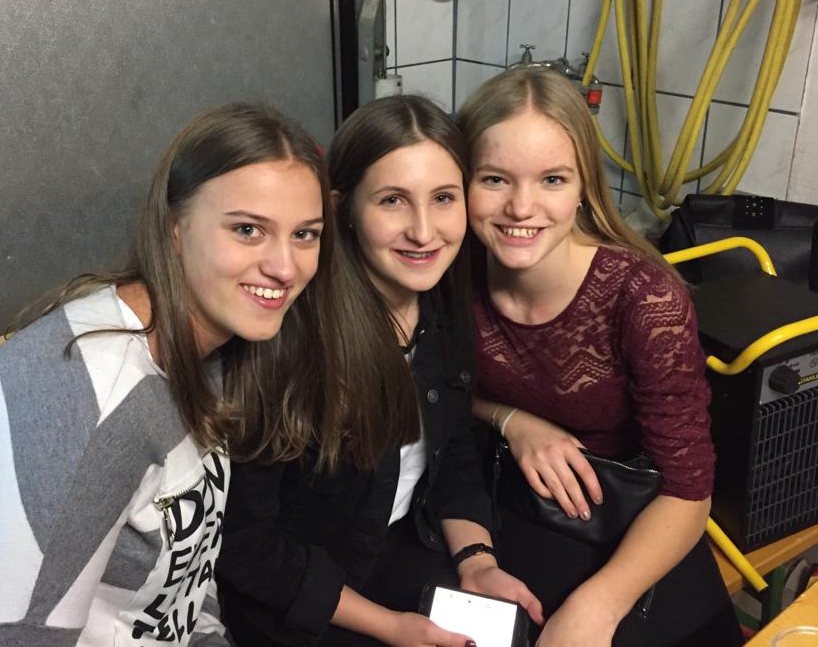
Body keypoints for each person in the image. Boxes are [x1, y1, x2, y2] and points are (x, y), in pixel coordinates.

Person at [0, 104, 343, 646]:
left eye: (306, 234)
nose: (285, 267)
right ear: (174, 229)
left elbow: (185, 579)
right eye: (248, 229)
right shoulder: (89, 406)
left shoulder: (214, 351)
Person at [215, 95, 543, 647]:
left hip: (399, 551)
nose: (424, 231)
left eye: (443, 198)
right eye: (393, 200)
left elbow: (452, 450)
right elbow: (246, 547)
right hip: (298, 606)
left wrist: (478, 562)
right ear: (341, 208)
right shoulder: (287, 337)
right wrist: (390, 627)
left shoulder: (442, 305)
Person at [457, 69, 743, 647]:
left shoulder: (644, 298)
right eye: (494, 179)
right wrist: (513, 421)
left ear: (584, 184)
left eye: (552, 179)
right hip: (505, 499)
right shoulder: (452, 268)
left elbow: (689, 491)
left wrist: (597, 607)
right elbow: (427, 385)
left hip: (635, 523)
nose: (521, 207)